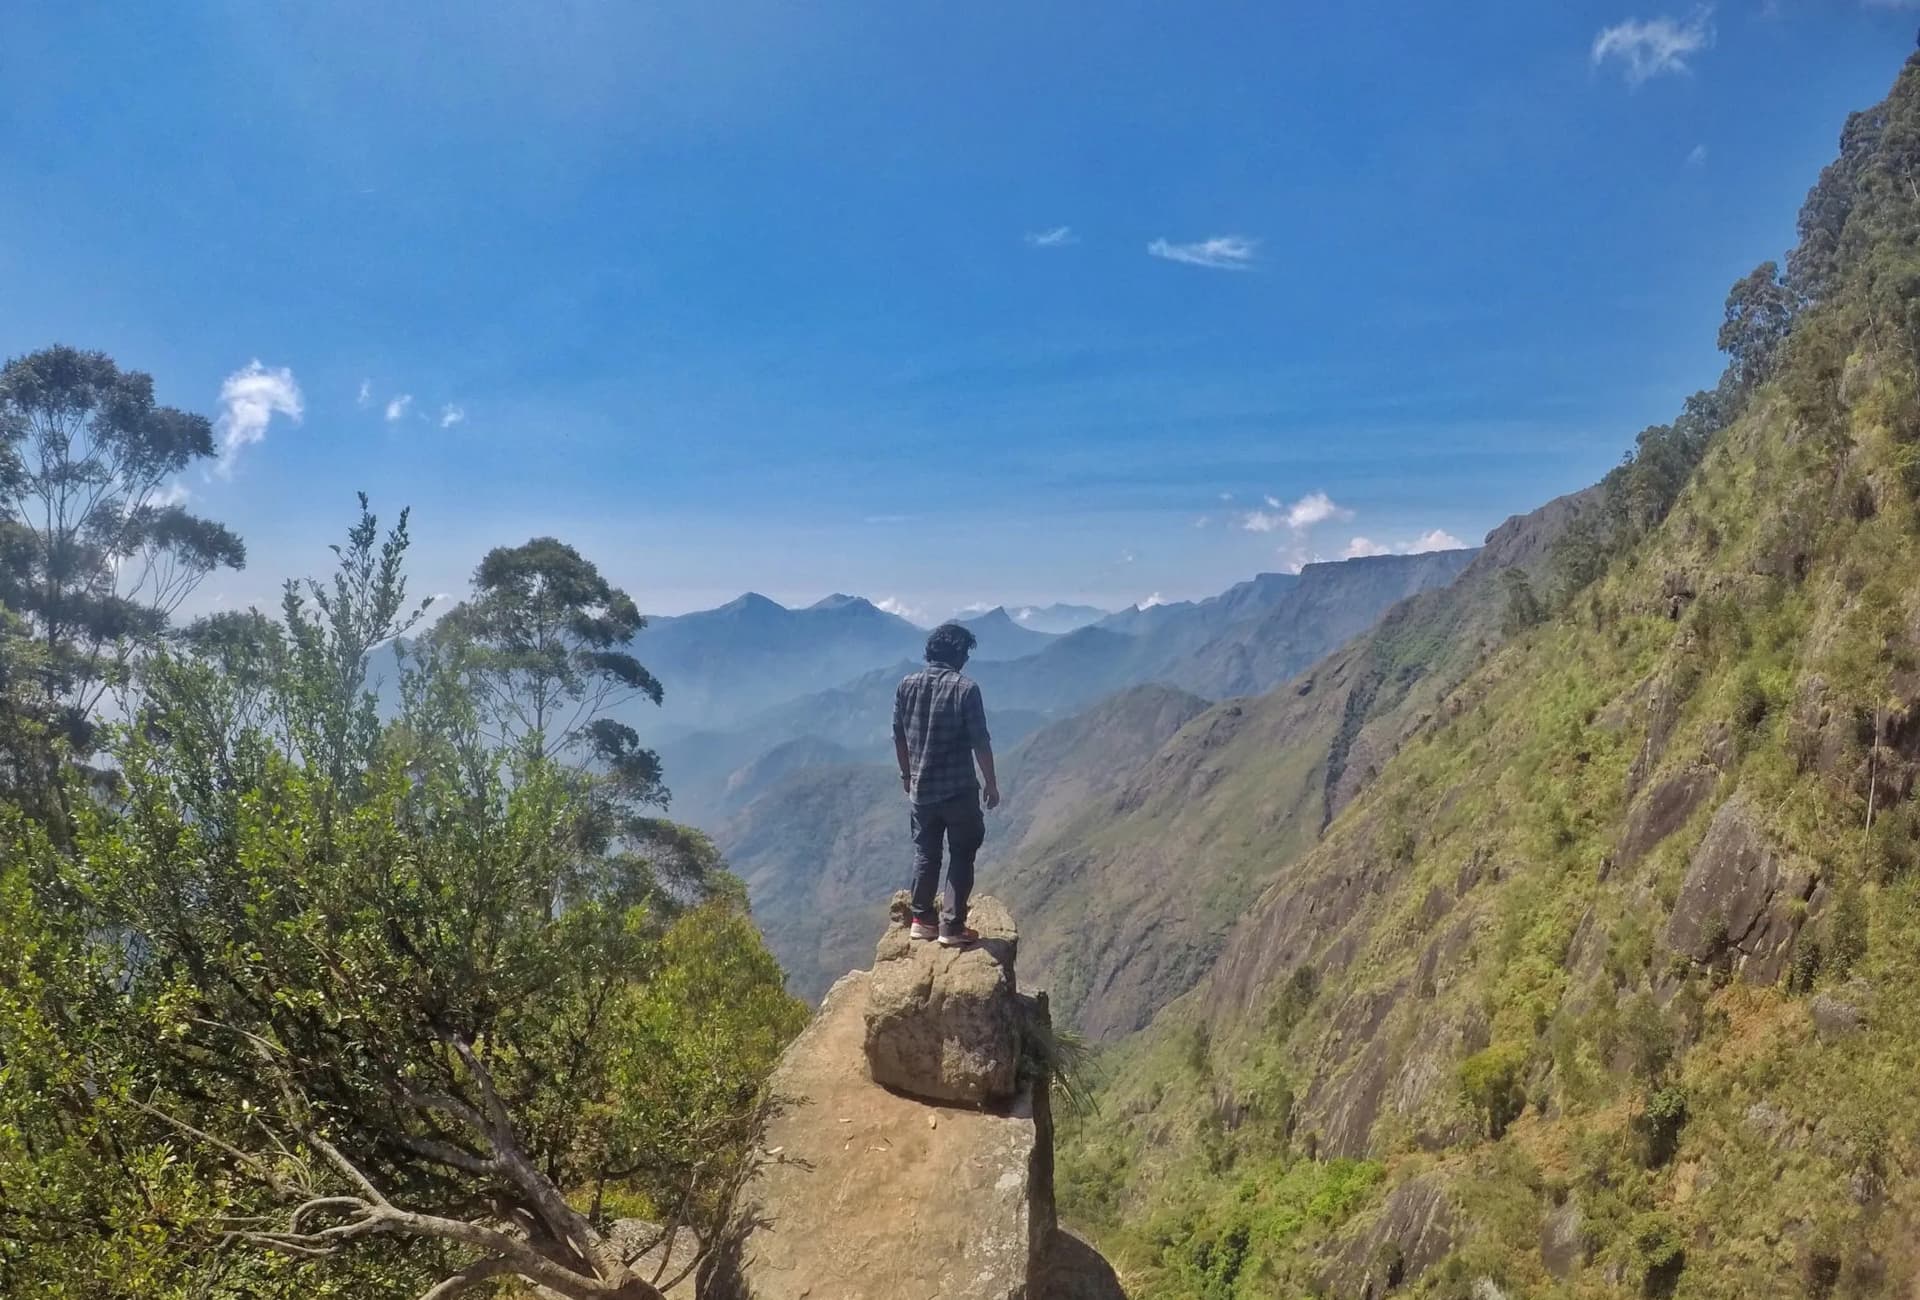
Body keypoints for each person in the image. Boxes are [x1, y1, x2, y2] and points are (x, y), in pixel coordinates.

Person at [892, 622, 999, 947]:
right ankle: (951, 927)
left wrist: (907, 775)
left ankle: (921, 919)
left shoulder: (906, 685)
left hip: (922, 791)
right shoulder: (966, 689)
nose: (966, 658)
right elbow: (980, 741)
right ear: (957, 653)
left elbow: (899, 735)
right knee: (963, 852)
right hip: (959, 790)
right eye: (965, 652)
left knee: (926, 852)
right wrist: (990, 782)